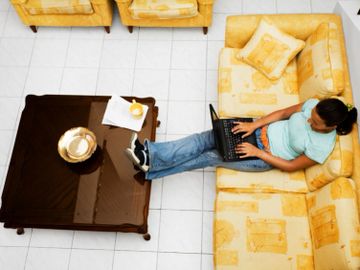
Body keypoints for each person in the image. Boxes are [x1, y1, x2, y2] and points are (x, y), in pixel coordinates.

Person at [124, 98, 358, 180]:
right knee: (204, 138)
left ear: (332, 127)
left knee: (210, 156)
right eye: (311, 116)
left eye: (315, 123)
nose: (309, 120)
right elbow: (283, 114)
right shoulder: (311, 106)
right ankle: (150, 155)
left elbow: (290, 167)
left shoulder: (322, 148)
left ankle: (150, 166)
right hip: (256, 130)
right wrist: (254, 123)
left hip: (262, 157)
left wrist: (259, 153)